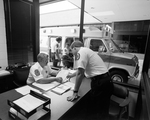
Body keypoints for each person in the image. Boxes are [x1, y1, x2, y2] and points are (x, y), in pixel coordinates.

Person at [67, 41, 113, 120]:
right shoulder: (87, 51)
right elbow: (81, 70)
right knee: (103, 109)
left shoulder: (80, 52)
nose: (72, 53)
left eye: (71, 50)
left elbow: (80, 73)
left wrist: (75, 92)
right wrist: (72, 75)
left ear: (74, 48)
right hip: (106, 81)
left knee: (96, 110)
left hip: (100, 82)